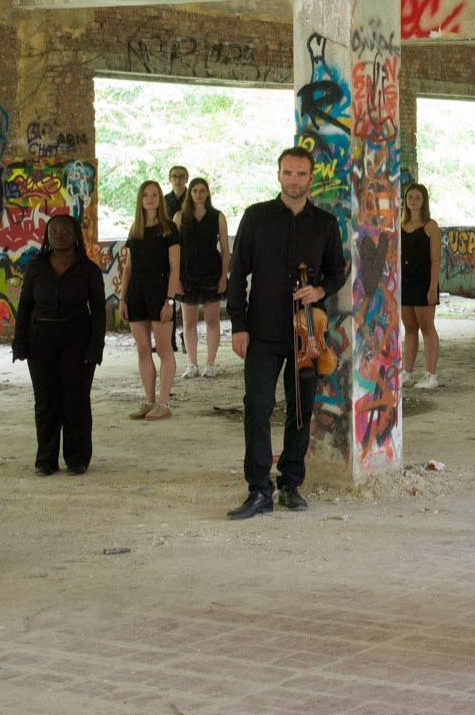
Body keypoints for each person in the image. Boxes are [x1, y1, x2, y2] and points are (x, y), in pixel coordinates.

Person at [225, 147, 347, 520]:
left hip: (308, 335)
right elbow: (237, 274)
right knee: (257, 408)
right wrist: (239, 325)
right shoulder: (256, 217)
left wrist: (320, 291)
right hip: (261, 331)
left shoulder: (325, 224)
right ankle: (259, 489)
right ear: (278, 175)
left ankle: (290, 483)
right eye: (288, 173)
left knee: (300, 411)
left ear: (312, 179)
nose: (294, 180)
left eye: (301, 174)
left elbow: (337, 272)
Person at [12, 215, 106, 476]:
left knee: (76, 400)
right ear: (47, 235)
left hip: (77, 339)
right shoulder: (36, 267)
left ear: (75, 235)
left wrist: (96, 347)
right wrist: (19, 343)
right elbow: (24, 307)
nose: (59, 234)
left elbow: (98, 311)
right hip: (40, 340)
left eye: (65, 230)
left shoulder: (88, 270)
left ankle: (77, 458)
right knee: (46, 401)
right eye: (53, 230)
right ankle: (46, 460)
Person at [120, 180, 182, 421]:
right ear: (140, 198)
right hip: (136, 292)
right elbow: (128, 268)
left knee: (164, 350)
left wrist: (170, 299)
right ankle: (149, 400)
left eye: (155, 194)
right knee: (143, 349)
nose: (150, 198)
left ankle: (164, 402)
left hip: (160, 292)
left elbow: (175, 266)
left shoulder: (169, 229)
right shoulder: (135, 229)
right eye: (146, 194)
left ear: (160, 199)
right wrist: (123, 298)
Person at [175, 177, 229, 380]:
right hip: (186, 274)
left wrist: (224, 276)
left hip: (211, 273)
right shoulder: (179, 217)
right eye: (195, 190)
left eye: (202, 190)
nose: (198, 194)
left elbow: (225, 249)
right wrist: (175, 278)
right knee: (188, 322)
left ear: (207, 193)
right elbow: (173, 250)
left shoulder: (218, 216)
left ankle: (211, 362)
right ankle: (192, 364)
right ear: (190, 193)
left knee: (212, 320)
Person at [399, 183, 442, 390]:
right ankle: (406, 372)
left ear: (423, 201)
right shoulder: (399, 225)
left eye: (417, 197)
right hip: (404, 283)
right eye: (410, 197)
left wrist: (433, 287)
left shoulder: (430, 226)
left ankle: (431, 374)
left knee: (427, 327)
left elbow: (435, 260)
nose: (413, 201)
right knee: (409, 328)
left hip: (424, 282)